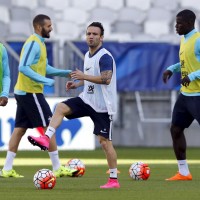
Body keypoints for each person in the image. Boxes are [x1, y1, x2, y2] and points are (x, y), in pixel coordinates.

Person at [28, 22, 120, 188]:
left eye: (95, 34)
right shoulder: (87, 55)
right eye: (88, 33)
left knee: (105, 143)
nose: (91, 36)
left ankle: (113, 180)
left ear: (102, 38)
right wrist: (77, 84)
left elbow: (106, 79)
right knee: (60, 107)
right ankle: (45, 138)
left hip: (103, 106)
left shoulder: (105, 57)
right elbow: (91, 80)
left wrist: (83, 76)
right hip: (87, 99)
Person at [0, 14, 77, 178]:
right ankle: (57, 167)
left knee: (19, 130)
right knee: (50, 125)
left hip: (25, 92)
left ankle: (6, 169)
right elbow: (23, 67)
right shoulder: (33, 43)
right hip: (31, 92)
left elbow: (45, 68)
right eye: (48, 26)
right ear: (38, 27)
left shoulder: (40, 44)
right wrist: (44, 81)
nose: (51, 28)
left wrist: (66, 73)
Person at [162, 9, 200, 181]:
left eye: (179, 23)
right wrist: (172, 68)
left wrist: (191, 76)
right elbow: (187, 62)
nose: (176, 26)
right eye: (176, 23)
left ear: (190, 23)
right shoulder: (184, 39)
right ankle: (183, 172)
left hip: (198, 95)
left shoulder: (198, 40)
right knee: (176, 129)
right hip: (185, 95)